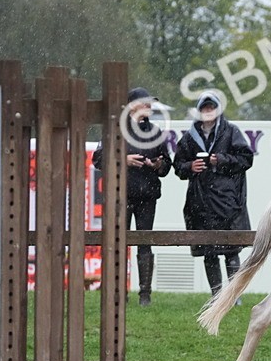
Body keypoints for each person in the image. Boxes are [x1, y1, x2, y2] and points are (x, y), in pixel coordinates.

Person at [93, 87, 172, 306]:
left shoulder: (155, 132)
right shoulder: (116, 129)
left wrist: (157, 164)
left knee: (144, 243)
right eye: (144, 102)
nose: (149, 107)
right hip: (120, 196)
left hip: (147, 196)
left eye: (150, 103)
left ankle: (144, 295)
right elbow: (98, 159)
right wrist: (123, 160)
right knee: (118, 244)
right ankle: (118, 292)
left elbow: (167, 167)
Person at [173, 91, 254, 297]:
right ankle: (216, 296)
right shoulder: (189, 137)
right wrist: (191, 166)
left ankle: (234, 296)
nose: (208, 111)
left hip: (227, 201)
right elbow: (177, 166)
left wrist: (221, 160)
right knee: (209, 252)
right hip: (199, 202)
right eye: (204, 108)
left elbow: (246, 159)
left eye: (211, 107)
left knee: (230, 249)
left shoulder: (231, 131)